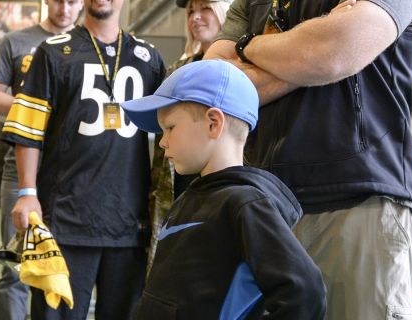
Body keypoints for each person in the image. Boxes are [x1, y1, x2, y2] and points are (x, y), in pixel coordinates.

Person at [206, 0, 412, 320]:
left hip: (359, 199)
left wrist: (252, 49)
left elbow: (335, 52)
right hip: (267, 206)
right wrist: (300, 57)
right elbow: (216, 87)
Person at [3, 0, 167, 320]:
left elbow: (171, 133)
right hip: (65, 221)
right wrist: (27, 193)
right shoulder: (52, 52)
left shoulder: (148, 58)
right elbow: (28, 129)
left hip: (129, 222)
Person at [122, 60, 326, 319]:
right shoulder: (191, 200)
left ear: (213, 123)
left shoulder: (245, 204)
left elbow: (305, 293)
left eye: (170, 128)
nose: (162, 141)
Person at [0, 0, 83, 320]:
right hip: (20, 168)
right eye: (58, 0)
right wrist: (38, 105)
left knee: (71, 262)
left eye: (72, 2)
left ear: (82, 1)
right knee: (15, 264)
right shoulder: (17, 42)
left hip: (71, 168)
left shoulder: (86, 48)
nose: (65, 9)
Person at [148, 0, 241, 263]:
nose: (195, 17)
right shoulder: (179, 70)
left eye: (206, 9)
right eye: (191, 11)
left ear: (228, 10)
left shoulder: (245, 69)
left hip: (228, 197)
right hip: (180, 197)